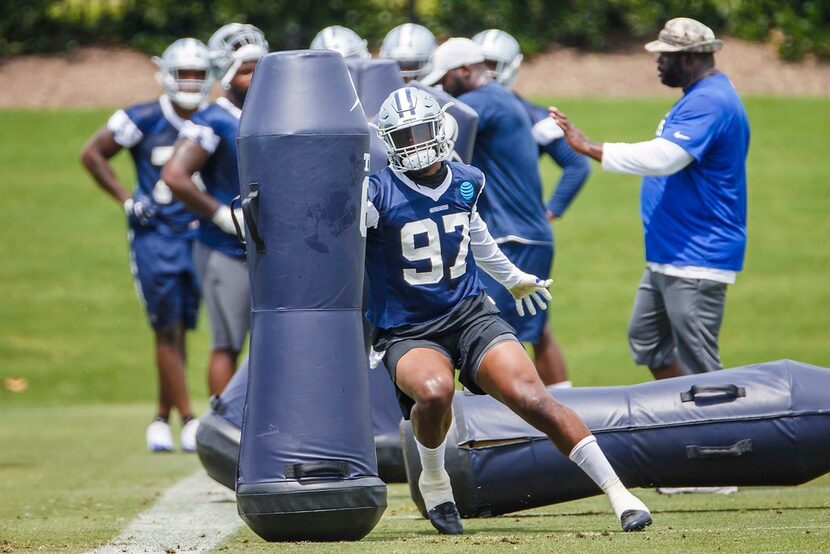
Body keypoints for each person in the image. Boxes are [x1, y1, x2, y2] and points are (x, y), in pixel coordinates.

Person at [366, 86, 652, 535]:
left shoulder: (467, 179)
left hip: (469, 314)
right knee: (435, 392)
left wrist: (513, 278)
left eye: (422, 131)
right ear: (388, 143)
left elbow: (476, 235)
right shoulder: (376, 192)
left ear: (441, 130)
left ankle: (619, 493)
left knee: (532, 396)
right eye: (404, 137)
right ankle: (435, 476)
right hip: (408, 326)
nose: (416, 144)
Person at [549, 18, 749, 383]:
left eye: (664, 56)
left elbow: (664, 158)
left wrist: (589, 147)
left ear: (688, 59)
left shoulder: (710, 102)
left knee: (702, 367)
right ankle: (684, 419)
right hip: (670, 253)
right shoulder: (699, 97)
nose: (657, 63)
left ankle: (721, 435)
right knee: (648, 340)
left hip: (696, 257)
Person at [80, 38, 211, 452]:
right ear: (166, 75)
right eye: (183, 73)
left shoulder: (216, 117)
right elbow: (93, 154)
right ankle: (188, 418)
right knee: (166, 326)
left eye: (197, 73)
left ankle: (160, 416)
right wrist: (127, 199)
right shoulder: (143, 118)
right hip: (158, 235)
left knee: (182, 326)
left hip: (204, 234)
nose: (190, 82)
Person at [421, 38, 566, 386]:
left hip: (510, 236)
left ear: (466, 71)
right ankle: (557, 408)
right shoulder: (503, 97)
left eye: (445, 79)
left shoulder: (478, 104)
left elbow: (431, 137)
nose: (442, 87)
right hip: (525, 234)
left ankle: (512, 422)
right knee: (531, 331)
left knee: (489, 337)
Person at [162, 23, 268, 395]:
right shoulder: (213, 119)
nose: (256, 77)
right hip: (228, 250)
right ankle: (225, 432)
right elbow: (175, 175)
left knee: (276, 345)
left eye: (260, 66)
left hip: (273, 251)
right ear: (226, 74)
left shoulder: (275, 115)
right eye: (246, 69)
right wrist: (223, 215)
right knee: (228, 343)